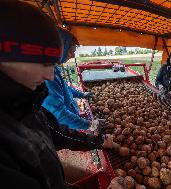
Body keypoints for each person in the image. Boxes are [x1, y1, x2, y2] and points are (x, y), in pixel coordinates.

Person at [0, 1, 123, 189]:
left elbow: (57, 133)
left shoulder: (26, 104)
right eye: (44, 64)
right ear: (9, 56)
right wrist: (88, 125)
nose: (49, 75)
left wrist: (99, 141)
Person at [42, 28, 95, 130]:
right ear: (60, 48)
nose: (73, 55)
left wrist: (82, 94)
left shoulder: (54, 68)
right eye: (71, 51)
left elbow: (64, 88)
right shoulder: (48, 75)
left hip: (72, 119)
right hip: (67, 127)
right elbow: (59, 115)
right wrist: (89, 125)